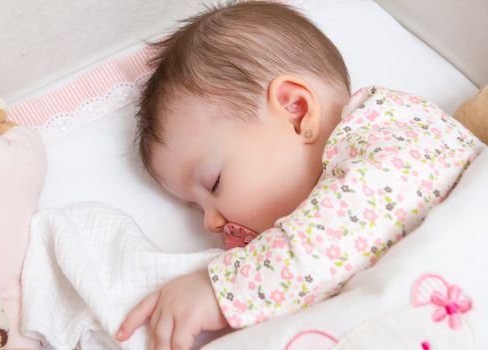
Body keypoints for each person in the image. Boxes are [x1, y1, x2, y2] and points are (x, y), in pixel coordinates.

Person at [115, 1, 483, 349]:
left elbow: (333, 237)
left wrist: (221, 289)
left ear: (296, 111)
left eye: (214, 184)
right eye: (196, 208)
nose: (211, 222)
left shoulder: (390, 133)